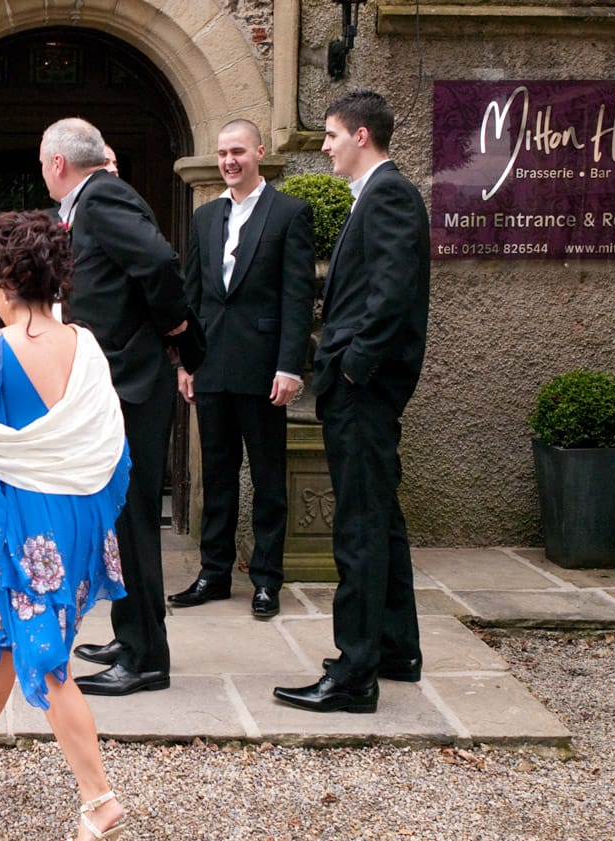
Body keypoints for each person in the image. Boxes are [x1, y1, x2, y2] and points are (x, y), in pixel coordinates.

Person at [0, 210, 131, 841]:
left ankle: (99, 799)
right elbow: (110, 442)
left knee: (45, 656)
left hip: (30, 524)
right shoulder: (86, 344)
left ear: (2, 281)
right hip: (78, 517)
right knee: (4, 629)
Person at [273, 90, 430, 714]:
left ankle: (354, 675)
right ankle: (396, 648)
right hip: (362, 390)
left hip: (364, 392)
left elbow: (390, 296)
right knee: (380, 517)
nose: (326, 145)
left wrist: (351, 370)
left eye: (333, 134)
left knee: (359, 528)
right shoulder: (376, 195)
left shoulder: (389, 195)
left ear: (362, 135)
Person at [40, 117, 192, 697]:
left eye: (43, 162)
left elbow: (158, 263)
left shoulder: (102, 197)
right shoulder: (88, 203)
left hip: (132, 385)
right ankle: (131, 635)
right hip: (114, 384)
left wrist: (174, 327)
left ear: (58, 163)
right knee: (115, 523)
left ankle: (147, 657)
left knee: (131, 525)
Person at [172, 119, 315, 619]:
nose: (229, 161)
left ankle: (267, 580)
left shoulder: (290, 213)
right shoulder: (205, 217)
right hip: (211, 365)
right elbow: (192, 294)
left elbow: (298, 297)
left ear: (259, 152)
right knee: (217, 477)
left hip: (263, 368)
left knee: (269, 480)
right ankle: (213, 573)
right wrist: (185, 362)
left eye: (237, 151)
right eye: (222, 153)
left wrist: (290, 366)